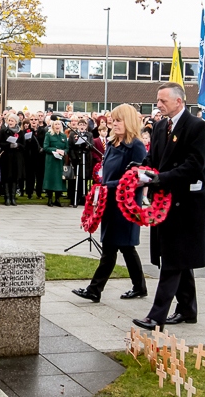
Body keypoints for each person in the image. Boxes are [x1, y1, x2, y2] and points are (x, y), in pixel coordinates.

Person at [133, 82, 205, 331]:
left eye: (163, 101)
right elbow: (152, 158)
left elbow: (193, 165)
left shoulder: (197, 127)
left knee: (173, 260)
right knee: (178, 258)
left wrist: (160, 179)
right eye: (158, 100)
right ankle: (187, 309)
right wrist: (141, 169)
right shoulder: (159, 127)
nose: (158, 105)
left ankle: (157, 316)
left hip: (184, 204)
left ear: (179, 101)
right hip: (163, 203)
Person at [72, 104, 148, 303]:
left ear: (129, 121)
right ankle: (139, 286)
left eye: (119, 120)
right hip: (109, 200)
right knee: (120, 247)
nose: (115, 124)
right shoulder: (113, 144)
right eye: (113, 120)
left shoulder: (136, 146)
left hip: (125, 203)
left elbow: (137, 178)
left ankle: (95, 289)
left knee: (117, 246)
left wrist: (109, 186)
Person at [0, 113, 25, 206]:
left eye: (12, 121)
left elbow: (24, 145)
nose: (10, 122)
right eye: (9, 120)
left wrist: (18, 145)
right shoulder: (3, 131)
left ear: (16, 122)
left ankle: (13, 197)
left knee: (14, 177)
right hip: (6, 156)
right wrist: (8, 145)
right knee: (6, 177)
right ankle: (7, 197)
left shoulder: (20, 133)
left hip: (17, 157)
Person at [68, 119, 94, 205]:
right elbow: (70, 147)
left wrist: (86, 148)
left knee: (84, 178)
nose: (82, 126)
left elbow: (91, 145)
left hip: (85, 159)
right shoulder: (73, 134)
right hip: (76, 158)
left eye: (84, 125)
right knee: (76, 179)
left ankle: (84, 197)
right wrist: (74, 157)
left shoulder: (89, 134)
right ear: (78, 126)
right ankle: (75, 197)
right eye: (80, 124)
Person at [42, 120, 68, 206]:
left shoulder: (63, 136)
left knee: (59, 179)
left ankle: (57, 199)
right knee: (51, 178)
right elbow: (45, 147)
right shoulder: (49, 135)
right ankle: (49, 199)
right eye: (56, 124)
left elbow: (67, 148)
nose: (57, 126)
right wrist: (55, 150)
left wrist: (63, 151)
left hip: (60, 161)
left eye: (59, 124)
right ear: (53, 126)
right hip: (51, 160)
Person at [25, 115, 47, 199]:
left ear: (38, 121)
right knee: (30, 176)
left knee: (40, 176)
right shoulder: (26, 131)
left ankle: (39, 193)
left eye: (35, 119)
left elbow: (45, 142)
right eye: (32, 119)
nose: (33, 121)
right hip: (30, 156)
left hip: (40, 156)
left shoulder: (43, 131)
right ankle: (29, 193)